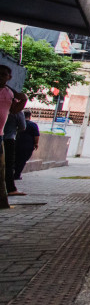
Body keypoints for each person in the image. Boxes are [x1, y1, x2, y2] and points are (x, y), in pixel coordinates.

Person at [0, 64, 28, 209]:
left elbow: (14, 110)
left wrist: (23, 100)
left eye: (4, 74)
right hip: (7, 137)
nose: (1, 77)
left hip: (2, 136)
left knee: (3, 167)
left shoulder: (9, 93)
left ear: (9, 77)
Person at [3, 110, 26, 195]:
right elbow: (22, 127)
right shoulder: (17, 110)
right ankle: (11, 189)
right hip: (9, 138)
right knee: (8, 165)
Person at [15, 109, 39, 180]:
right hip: (27, 145)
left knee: (15, 159)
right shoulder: (33, 125)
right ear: (30, 116)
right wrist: (36, 144)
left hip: (17, 143)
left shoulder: (18, 123)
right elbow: (36, 136)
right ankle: (16, 175)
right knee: (22, 160)